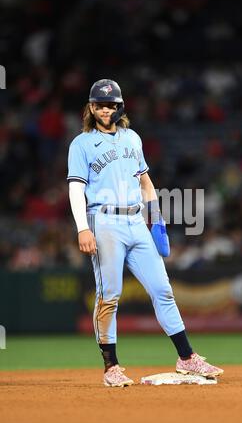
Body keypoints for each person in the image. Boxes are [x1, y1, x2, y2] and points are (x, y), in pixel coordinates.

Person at [67, 79, 224, 387]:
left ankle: (186, 358)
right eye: (99, 104)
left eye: (110, 104)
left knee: (163, 289)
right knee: (109, 295)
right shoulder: (81, 143)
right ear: (90, 107)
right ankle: (111, 366)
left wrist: (157, 220)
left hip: (136, 221)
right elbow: (76, 188)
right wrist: (82, 228)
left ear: (119, 107)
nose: (104, 109)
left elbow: (146, 183)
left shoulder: (132, 138)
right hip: (104, 221)